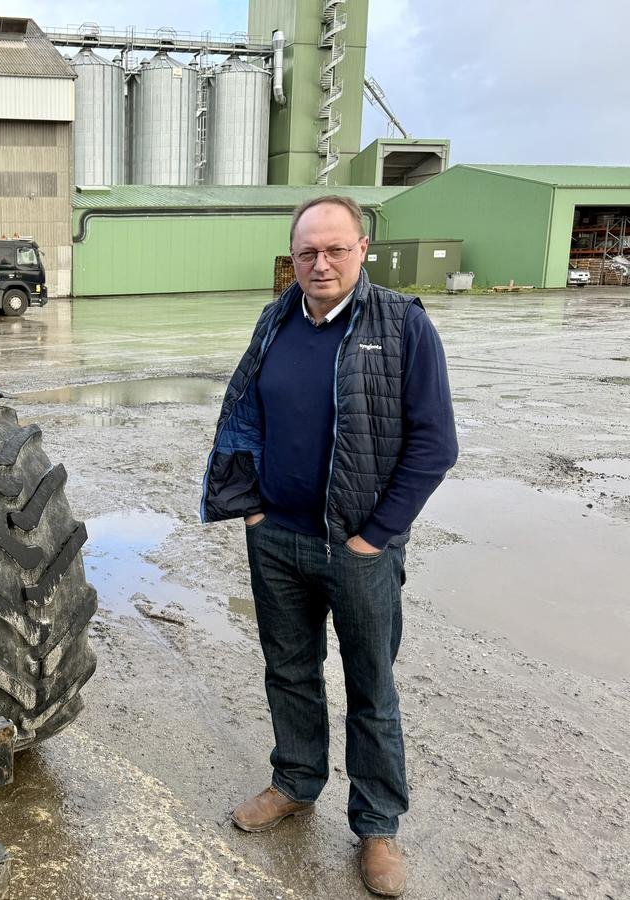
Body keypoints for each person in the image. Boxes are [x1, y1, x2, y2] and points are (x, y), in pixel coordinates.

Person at [201, 196, 457, 897]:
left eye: (335, 249)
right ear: (293, 256)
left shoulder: (402, 324)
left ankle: (377, 827)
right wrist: (252, 508)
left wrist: (376, 535)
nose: (321, 263)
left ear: (362, 249)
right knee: (289, 670)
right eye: (308, 251)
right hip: (277, 538)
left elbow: (435, 444)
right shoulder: (275, 319)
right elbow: (244, 415)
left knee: (371, 687)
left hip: (358, 549)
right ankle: (295, 782)